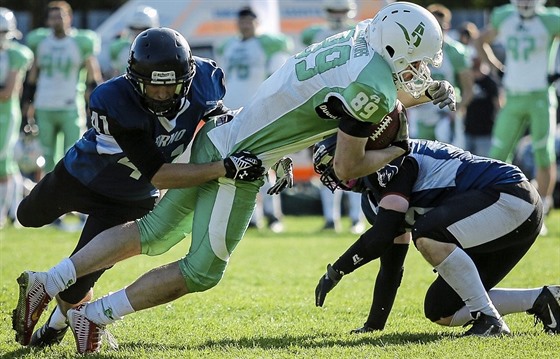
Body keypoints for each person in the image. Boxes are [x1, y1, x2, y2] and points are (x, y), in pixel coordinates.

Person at [13, 2, 456, 353]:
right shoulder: (373, 86)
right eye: (417, 63)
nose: (420, 72)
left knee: (154, 231)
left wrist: (414, 97)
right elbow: (346, 167)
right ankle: (95, 315)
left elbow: (325, 98)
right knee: (202, 272)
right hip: (241, 157)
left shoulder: (359, 38)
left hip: (231, 131)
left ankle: (48, 281)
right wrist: (402, 147)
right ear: (396, 49)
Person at [13, 27, 264, 348]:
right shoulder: (114, 99)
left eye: (170, 86)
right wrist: (226, 168)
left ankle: (53, 328)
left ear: (187, 79)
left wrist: (262, 149)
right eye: (152, 87)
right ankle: (59, 306)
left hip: (130, 197)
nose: (161, 95)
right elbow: (159, 174)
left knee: (77, 285)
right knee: (28, 216)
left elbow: (219, 124)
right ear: (134, 80)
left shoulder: (206, 81)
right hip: (85, 177)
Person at [313, 136, 560, 336]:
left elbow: (379, 237)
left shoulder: (394, 161)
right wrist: (373, 326)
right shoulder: (373, 199)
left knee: (428, 233)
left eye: (335, 164)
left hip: (510, 196)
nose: (336, 174)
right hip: (502, 216)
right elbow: (390, 263)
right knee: (442, 310)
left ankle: (489, 320)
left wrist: (336, 270)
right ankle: (543, 299)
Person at [476, 0, 560, 218]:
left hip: (540, 95)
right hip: (513, 95)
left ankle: (541, 208)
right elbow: (480, 41)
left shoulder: (550, 19)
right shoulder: (504, 16)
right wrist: (497, 69)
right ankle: (500, 205)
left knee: (544, 153)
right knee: (498, 154)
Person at [216, 6, 294, 232]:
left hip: (258, 109)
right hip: (233, 111)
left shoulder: (267, 43)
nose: (245, 25)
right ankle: (252, 216)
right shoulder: (228, 45)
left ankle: (273, 214)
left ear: (256, 23)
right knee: (239, 165)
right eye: (242, 21)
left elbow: (277, 76)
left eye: (250, 21)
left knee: (265, 161)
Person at [301, 0, 365, 234]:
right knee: (323, 162)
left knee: (355, 162)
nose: (338, 16)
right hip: (324, 102)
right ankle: (331, 218)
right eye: (333, 11)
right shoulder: (314, 34)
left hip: (350, 101)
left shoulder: (360, 33)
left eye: (341, 11)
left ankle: (356, 218)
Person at [22, 1, 103, 175]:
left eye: (60, 16)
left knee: (73, 153)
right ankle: (49, 197)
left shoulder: (80, 42)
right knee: (47, 157)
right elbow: (32, 77)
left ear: (69, 18)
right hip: (45, 105)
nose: (57, 21)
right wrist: (26, 109)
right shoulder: (41, 42)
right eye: (53, 17)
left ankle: (69, 196)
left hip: (70, 105)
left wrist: (96, 106)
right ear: (47, 21)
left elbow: (93, 77)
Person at [407, 3, 473, 146]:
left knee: (451, 161)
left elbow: (468, 89)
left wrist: (458, 110)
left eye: (440, 27)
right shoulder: (416, 50)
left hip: (446, 114)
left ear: (447, 27)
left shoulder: (455, 52)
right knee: (420, 161)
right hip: (422, 115)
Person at [0, 8, 33, 229]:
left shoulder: (15, 54)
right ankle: (14, 210)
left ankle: (3, 214)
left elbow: (7, 93)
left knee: (3, 163)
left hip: (4, 113)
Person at [108, 5, 159, 78]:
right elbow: (115, 73)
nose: (138, 33)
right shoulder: (119, 47)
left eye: (143, 29)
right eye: (134, 28)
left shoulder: (159, 50)